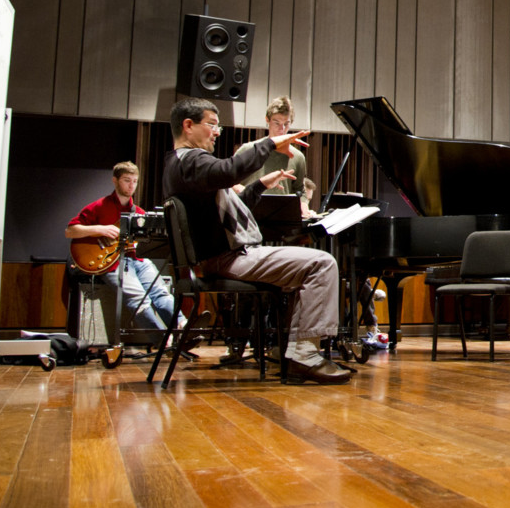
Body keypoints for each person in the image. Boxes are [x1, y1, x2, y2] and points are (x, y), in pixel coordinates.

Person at [162, 97, 349, 384]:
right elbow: (228, 171)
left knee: (311, 268)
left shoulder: (182, 166)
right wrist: (271, 144)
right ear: (188, 126)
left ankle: (296, 352)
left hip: (224, 256)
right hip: (229, 258)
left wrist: (261, 184)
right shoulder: (191, 161)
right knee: (322, 263)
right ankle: (305, 356)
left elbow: (232, 204)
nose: (216, 131)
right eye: (212, 124)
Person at [66, 161, 180, 334]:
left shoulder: (139, 213)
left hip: (137, 259)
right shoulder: (99, 206)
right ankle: (162, 339)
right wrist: (101, 229)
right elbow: (70, 231)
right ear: (115, 180)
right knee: (138, 298)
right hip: (111, 263)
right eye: (127, 180)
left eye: (134, 181)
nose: (131, 185)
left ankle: (184, 327)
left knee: (160, 292)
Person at [238, 95, 308, 196]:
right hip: (249, 209)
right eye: (277, 123)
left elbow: (300, 191)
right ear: (267, 120)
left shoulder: (298, 157)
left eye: (286, 124)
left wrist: (304, 205)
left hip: (280, 210)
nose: (282, 129)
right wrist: (240, 189)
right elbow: (227, 181)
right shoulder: (248, 149)